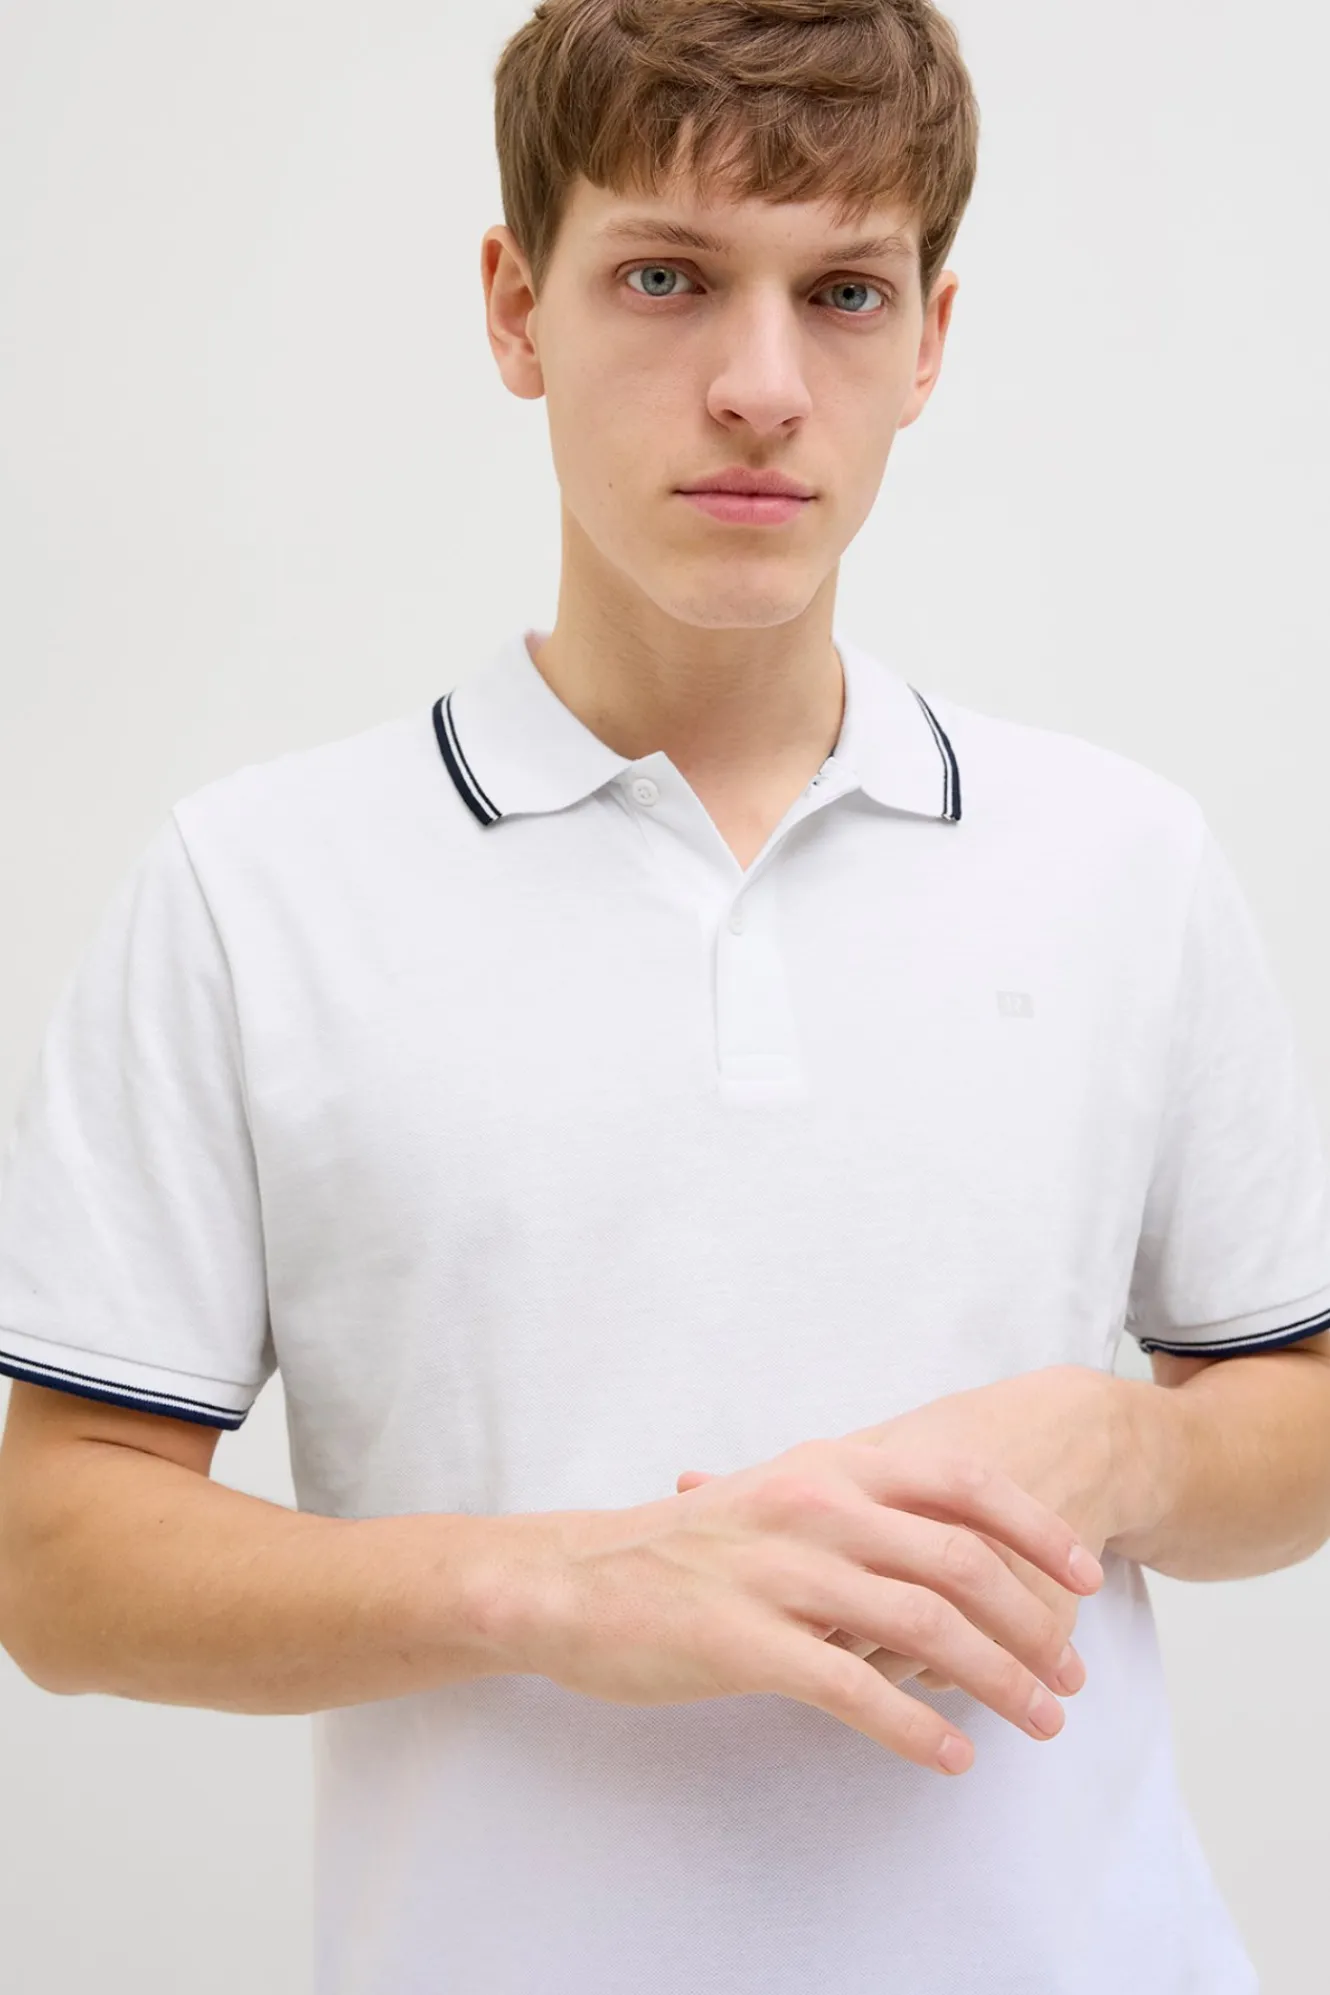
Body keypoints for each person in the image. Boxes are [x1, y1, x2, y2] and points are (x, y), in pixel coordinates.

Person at [0, 2, 1327, 1989]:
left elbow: (1292, 1415)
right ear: (513, 306)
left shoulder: (1122, 855)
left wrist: (1115, 1447)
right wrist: (549, 1583)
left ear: (928, 340)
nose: (761, 387)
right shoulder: (251, 887)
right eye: (665, 278)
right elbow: (58, 1558)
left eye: (844, 292)